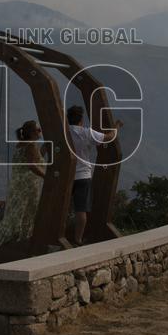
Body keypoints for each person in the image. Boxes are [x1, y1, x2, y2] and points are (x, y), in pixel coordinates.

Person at [0, 120, 46, 247]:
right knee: (28, 212)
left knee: (14, 212)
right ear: (32, 132)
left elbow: (33, 159)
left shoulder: (21, 144)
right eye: (38, 130)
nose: (40, 131)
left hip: (17, 183)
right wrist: (46, 176)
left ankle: (0, 240)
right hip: (28, 184)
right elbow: (32, 165)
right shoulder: (31, 146)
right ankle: (22, 240)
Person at [67, 105, 123, 246]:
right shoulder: (86, 133)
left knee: (63, 208)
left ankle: (60, 233)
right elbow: (109, 137)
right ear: (81, 119)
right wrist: (116, 126)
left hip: (66, 175)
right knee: (81, 209)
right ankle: (78, 239)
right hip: (83, 175)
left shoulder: (65, 132)